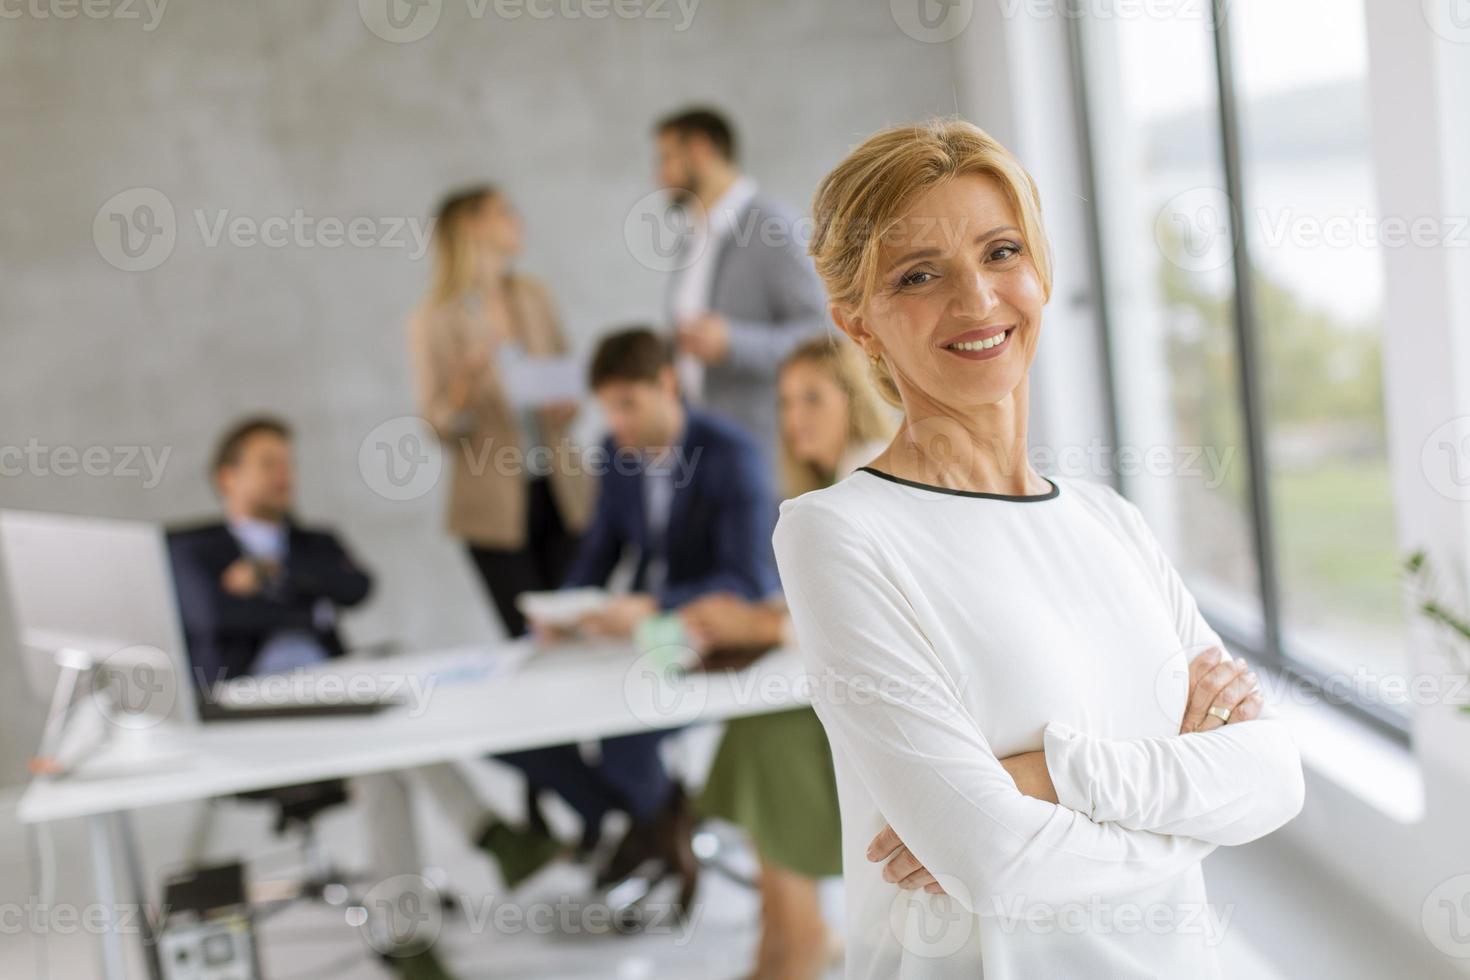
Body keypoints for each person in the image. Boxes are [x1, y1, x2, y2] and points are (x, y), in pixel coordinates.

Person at [772, 120, 1305, 979]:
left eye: (1001, 252)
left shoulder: (1109, 522)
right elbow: (995, 860)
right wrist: (1195, 801)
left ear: (1042, 272)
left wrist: (1051, 776)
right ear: (858, 324)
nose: (977, 301)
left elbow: (1276, 777)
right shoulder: (837, 534)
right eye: (919, 275)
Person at [169, 418, 560, 980]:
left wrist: (271, 577)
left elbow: (357, 589)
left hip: (339, 705)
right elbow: (215, 615)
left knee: (379, 751)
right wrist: (305, 597)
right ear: (227, 478)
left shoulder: (312, 543)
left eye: (288, 462)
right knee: (382, 697)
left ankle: (406, 937)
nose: (285, 475)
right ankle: (489, 834)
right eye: (267, 464)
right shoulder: (194, 551)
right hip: (249, 715)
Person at [511, 326, 780, 915]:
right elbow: (601, 550)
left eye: (627, 404)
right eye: (607, 409)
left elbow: (749, 578)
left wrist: (658, 606)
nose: (618, 423)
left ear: (666, 384)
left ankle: (649, 828)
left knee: (623, 741)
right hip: (637, 633)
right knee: (523, 723)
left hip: (709, 637)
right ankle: (660, 821)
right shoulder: (617, 452)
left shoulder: (731, 455)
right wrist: (569, 606)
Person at [682, 336, 891, 980]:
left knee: (766, 735)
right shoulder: (836, 483)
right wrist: (764, 616)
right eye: (784, 402)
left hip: (882, 709)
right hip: (850, 693)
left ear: (853, 402)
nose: (793, 417)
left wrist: (762, 625)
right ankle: (783, 936)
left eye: (812, 398)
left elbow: (863, 616)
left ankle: (797, 940)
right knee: (754, 726)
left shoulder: (870, 477)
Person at [408, 184, 593, 638]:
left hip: (563, 489)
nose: (516, 220)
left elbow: (568, 379)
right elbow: (438, 426)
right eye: (503, 212)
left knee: (582, 624)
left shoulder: (533, 295)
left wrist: (567, 404)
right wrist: (464, 386)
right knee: (531, 635)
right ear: (472, 225)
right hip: (492, 503)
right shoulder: (433, 318)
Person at [654, 106, 829, 467]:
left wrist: (733, 343)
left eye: (667, 157)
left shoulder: (772, 227)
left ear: (700, 149)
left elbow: (823, 336)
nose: (659, 175)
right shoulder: (693, 235)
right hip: (704, 448)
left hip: (763, 457)